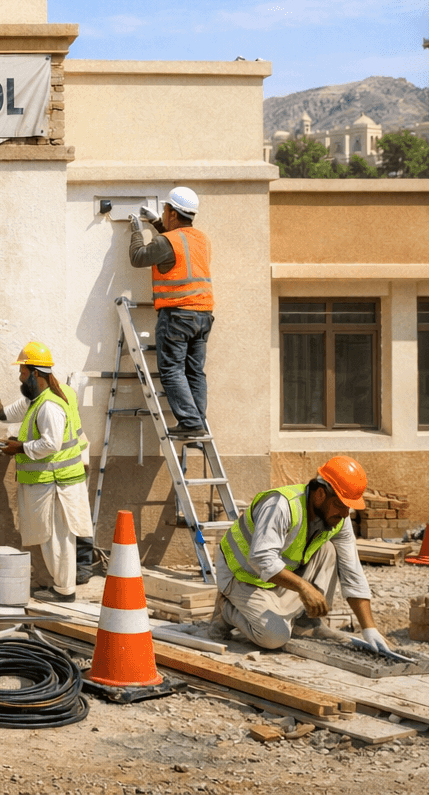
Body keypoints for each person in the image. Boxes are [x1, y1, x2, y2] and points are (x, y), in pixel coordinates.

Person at [210, 456, 391, 653]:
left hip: (275, 578)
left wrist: (369, 629)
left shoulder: (338, 518)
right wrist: (304, 587)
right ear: (321, 494)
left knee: (329, 550)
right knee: (274, 637)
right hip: (241, 577)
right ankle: (227, 611)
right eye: (341, 504)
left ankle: (307, 625)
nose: (346, 514)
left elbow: (352, 572)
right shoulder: (281, 505)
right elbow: (262, 559)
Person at [0, 342, 93, 603]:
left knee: (56, 539)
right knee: (57, 538)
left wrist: (19, 447)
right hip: (62, 478)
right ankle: (62, 587)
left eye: (23, 373)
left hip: (55, 481)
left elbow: (51, 443)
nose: (20, 377)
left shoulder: (48, 405)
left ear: (36, 373)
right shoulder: (56, 394)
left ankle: (64, 591)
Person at [128, 185, 213, 439]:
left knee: (172, 370)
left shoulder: (168, 241)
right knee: (194, 371)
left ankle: (189, 422)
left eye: (164, 211)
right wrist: (156, 223)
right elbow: (176, 247)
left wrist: (137, 231)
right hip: (203, 314)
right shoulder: (201, 239)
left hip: (177, 315)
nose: (163, 214)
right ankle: (198, 420)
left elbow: (139, 257)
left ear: (174, 214)